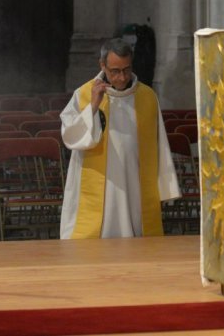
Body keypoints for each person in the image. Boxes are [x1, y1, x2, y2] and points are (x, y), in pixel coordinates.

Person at [59, 38, 179, 238]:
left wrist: (166, 187)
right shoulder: (84, 94)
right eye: (114, 71)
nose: (122, 77)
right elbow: (71, 138)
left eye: (126, 69)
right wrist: (93, 106)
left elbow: (161, 145)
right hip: (101, 187)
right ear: (102, 65)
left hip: (135, 184)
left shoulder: (147, 96)